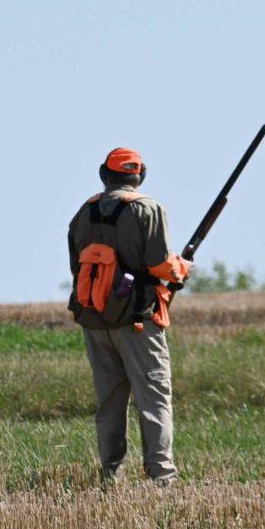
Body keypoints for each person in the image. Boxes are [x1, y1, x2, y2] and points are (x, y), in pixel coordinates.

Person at [67, 149, 191, 486]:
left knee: (110, 402)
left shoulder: (85, 211)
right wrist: (182, 268)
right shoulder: (148, 208)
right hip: (137, 321)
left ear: (103, 174)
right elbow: (160, 264)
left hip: (94, 321)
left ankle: (110, 475)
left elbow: (75, 266)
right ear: (141, 176)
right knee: (153, 399)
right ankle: (162, 478)